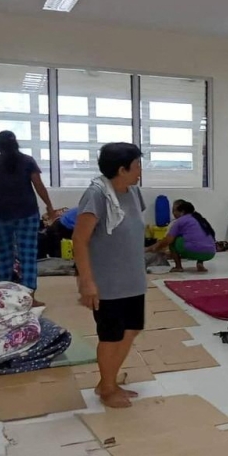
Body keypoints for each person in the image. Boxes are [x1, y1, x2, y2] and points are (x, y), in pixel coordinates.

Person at [72, 143, 146, 409]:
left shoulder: (134, 192)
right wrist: (87, 281)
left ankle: (108, 380)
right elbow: (79, 241)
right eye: (136, 166)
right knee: (111, 335)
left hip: (133, 278)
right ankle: (107, 387)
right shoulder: (97, 195)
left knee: (132, 328)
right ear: (121, 169)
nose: (140, 170)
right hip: (107, 282)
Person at [0, 130, 56, 302]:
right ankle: (30, 298)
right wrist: (50, 208)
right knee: (27, 256)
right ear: (16, 144)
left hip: (1, 216)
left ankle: (4, 299)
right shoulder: (28, 161)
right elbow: (39, 186)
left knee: (4, 257)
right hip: (27, 214)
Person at [147, 200, 216, 273]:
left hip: (193, 251)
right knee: (200, 239)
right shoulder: (201, 219)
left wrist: (153, 248)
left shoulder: (180, 221)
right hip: (210, 253)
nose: (173, 213)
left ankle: (178, 267)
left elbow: (167, 240)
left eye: (174, 211)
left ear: (182, 211)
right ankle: (200, 263)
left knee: (173, 240)